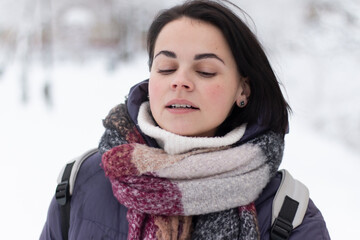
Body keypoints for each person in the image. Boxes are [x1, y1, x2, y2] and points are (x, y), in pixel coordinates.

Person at [40, 0, 331, 239]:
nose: (180, 81)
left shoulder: (289, 216)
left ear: (242, 89)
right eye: (166, 67)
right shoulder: (81, 183)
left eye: (205, 71)